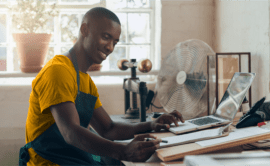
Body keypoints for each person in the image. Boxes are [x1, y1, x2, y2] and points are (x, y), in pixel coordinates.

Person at [19, 7, 185, 166]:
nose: (110, 47)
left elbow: (108, 129)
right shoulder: (58, 71)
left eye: (115, 42)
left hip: (72, 159)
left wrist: (151, 125)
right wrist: (123, 151)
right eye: (106, 37)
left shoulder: (86, 81)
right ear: (84, 30)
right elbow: (71, 133)